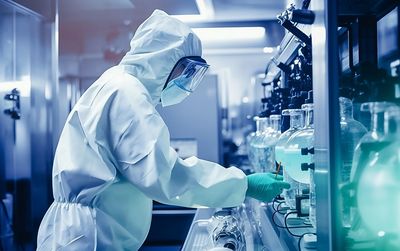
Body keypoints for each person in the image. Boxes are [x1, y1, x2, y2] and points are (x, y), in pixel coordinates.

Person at [37, 9, 289, 251]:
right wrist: (243, 184)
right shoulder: (126, 92)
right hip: (90, 238)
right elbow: (166, 175)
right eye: (187, 70)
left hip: (87, 230)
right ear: (162, 59)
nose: (187, 81)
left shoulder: (117, 84)